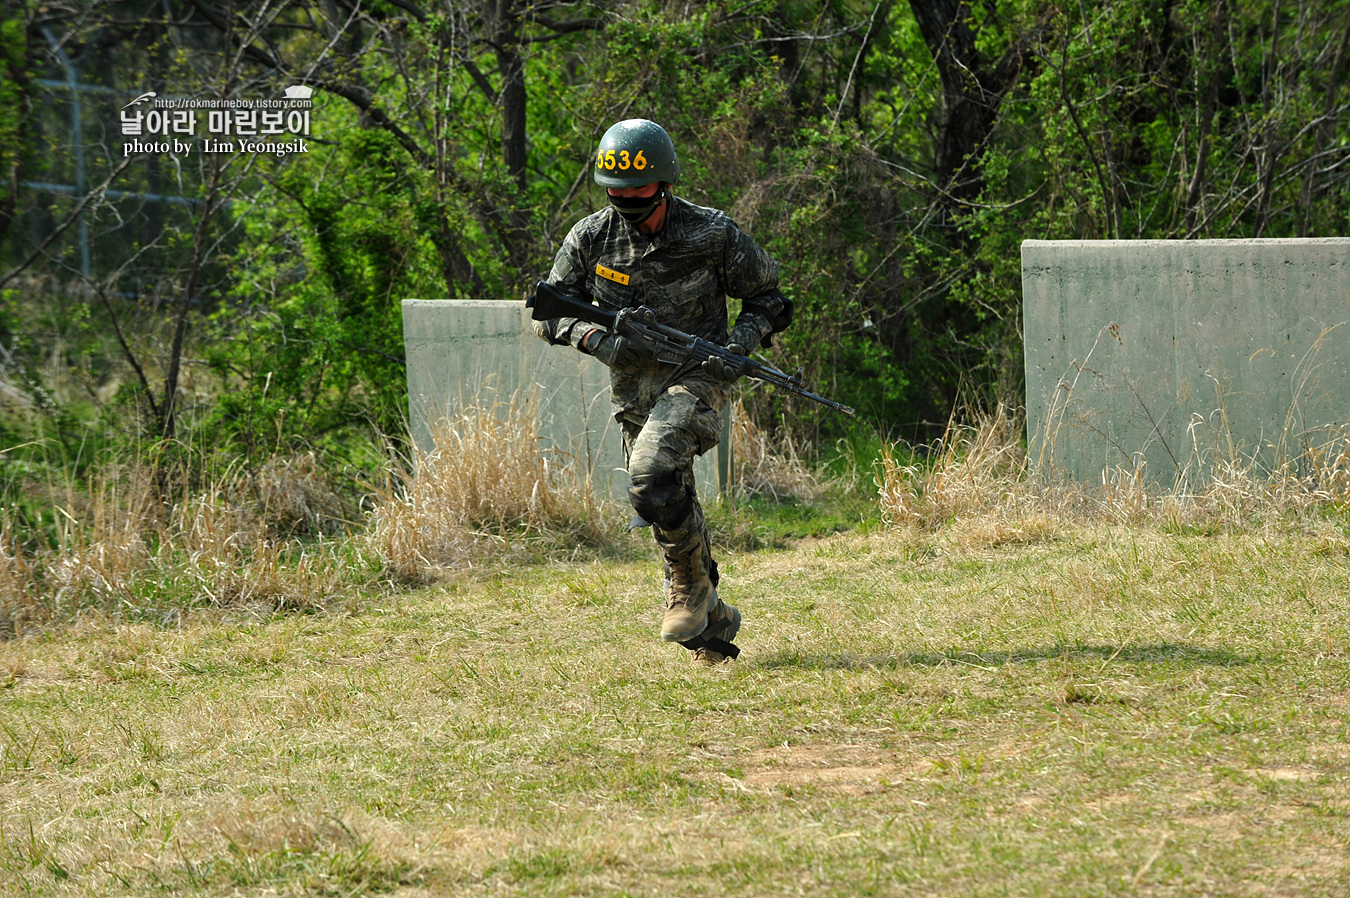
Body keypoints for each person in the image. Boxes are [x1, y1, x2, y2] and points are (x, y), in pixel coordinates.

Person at [533, 118, 792, 665]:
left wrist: (739, 345)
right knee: (659, 496)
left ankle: (688, 593)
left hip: (699, 376)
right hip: (634, 392)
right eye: (617, 189)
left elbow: (770, 297)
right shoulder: (589, 238)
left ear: (665, 182)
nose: (628, 199)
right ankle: (712, 620)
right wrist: (596, 339)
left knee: (649, 472)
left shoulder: (711, 233)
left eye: (640, 189)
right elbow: (547, 312)